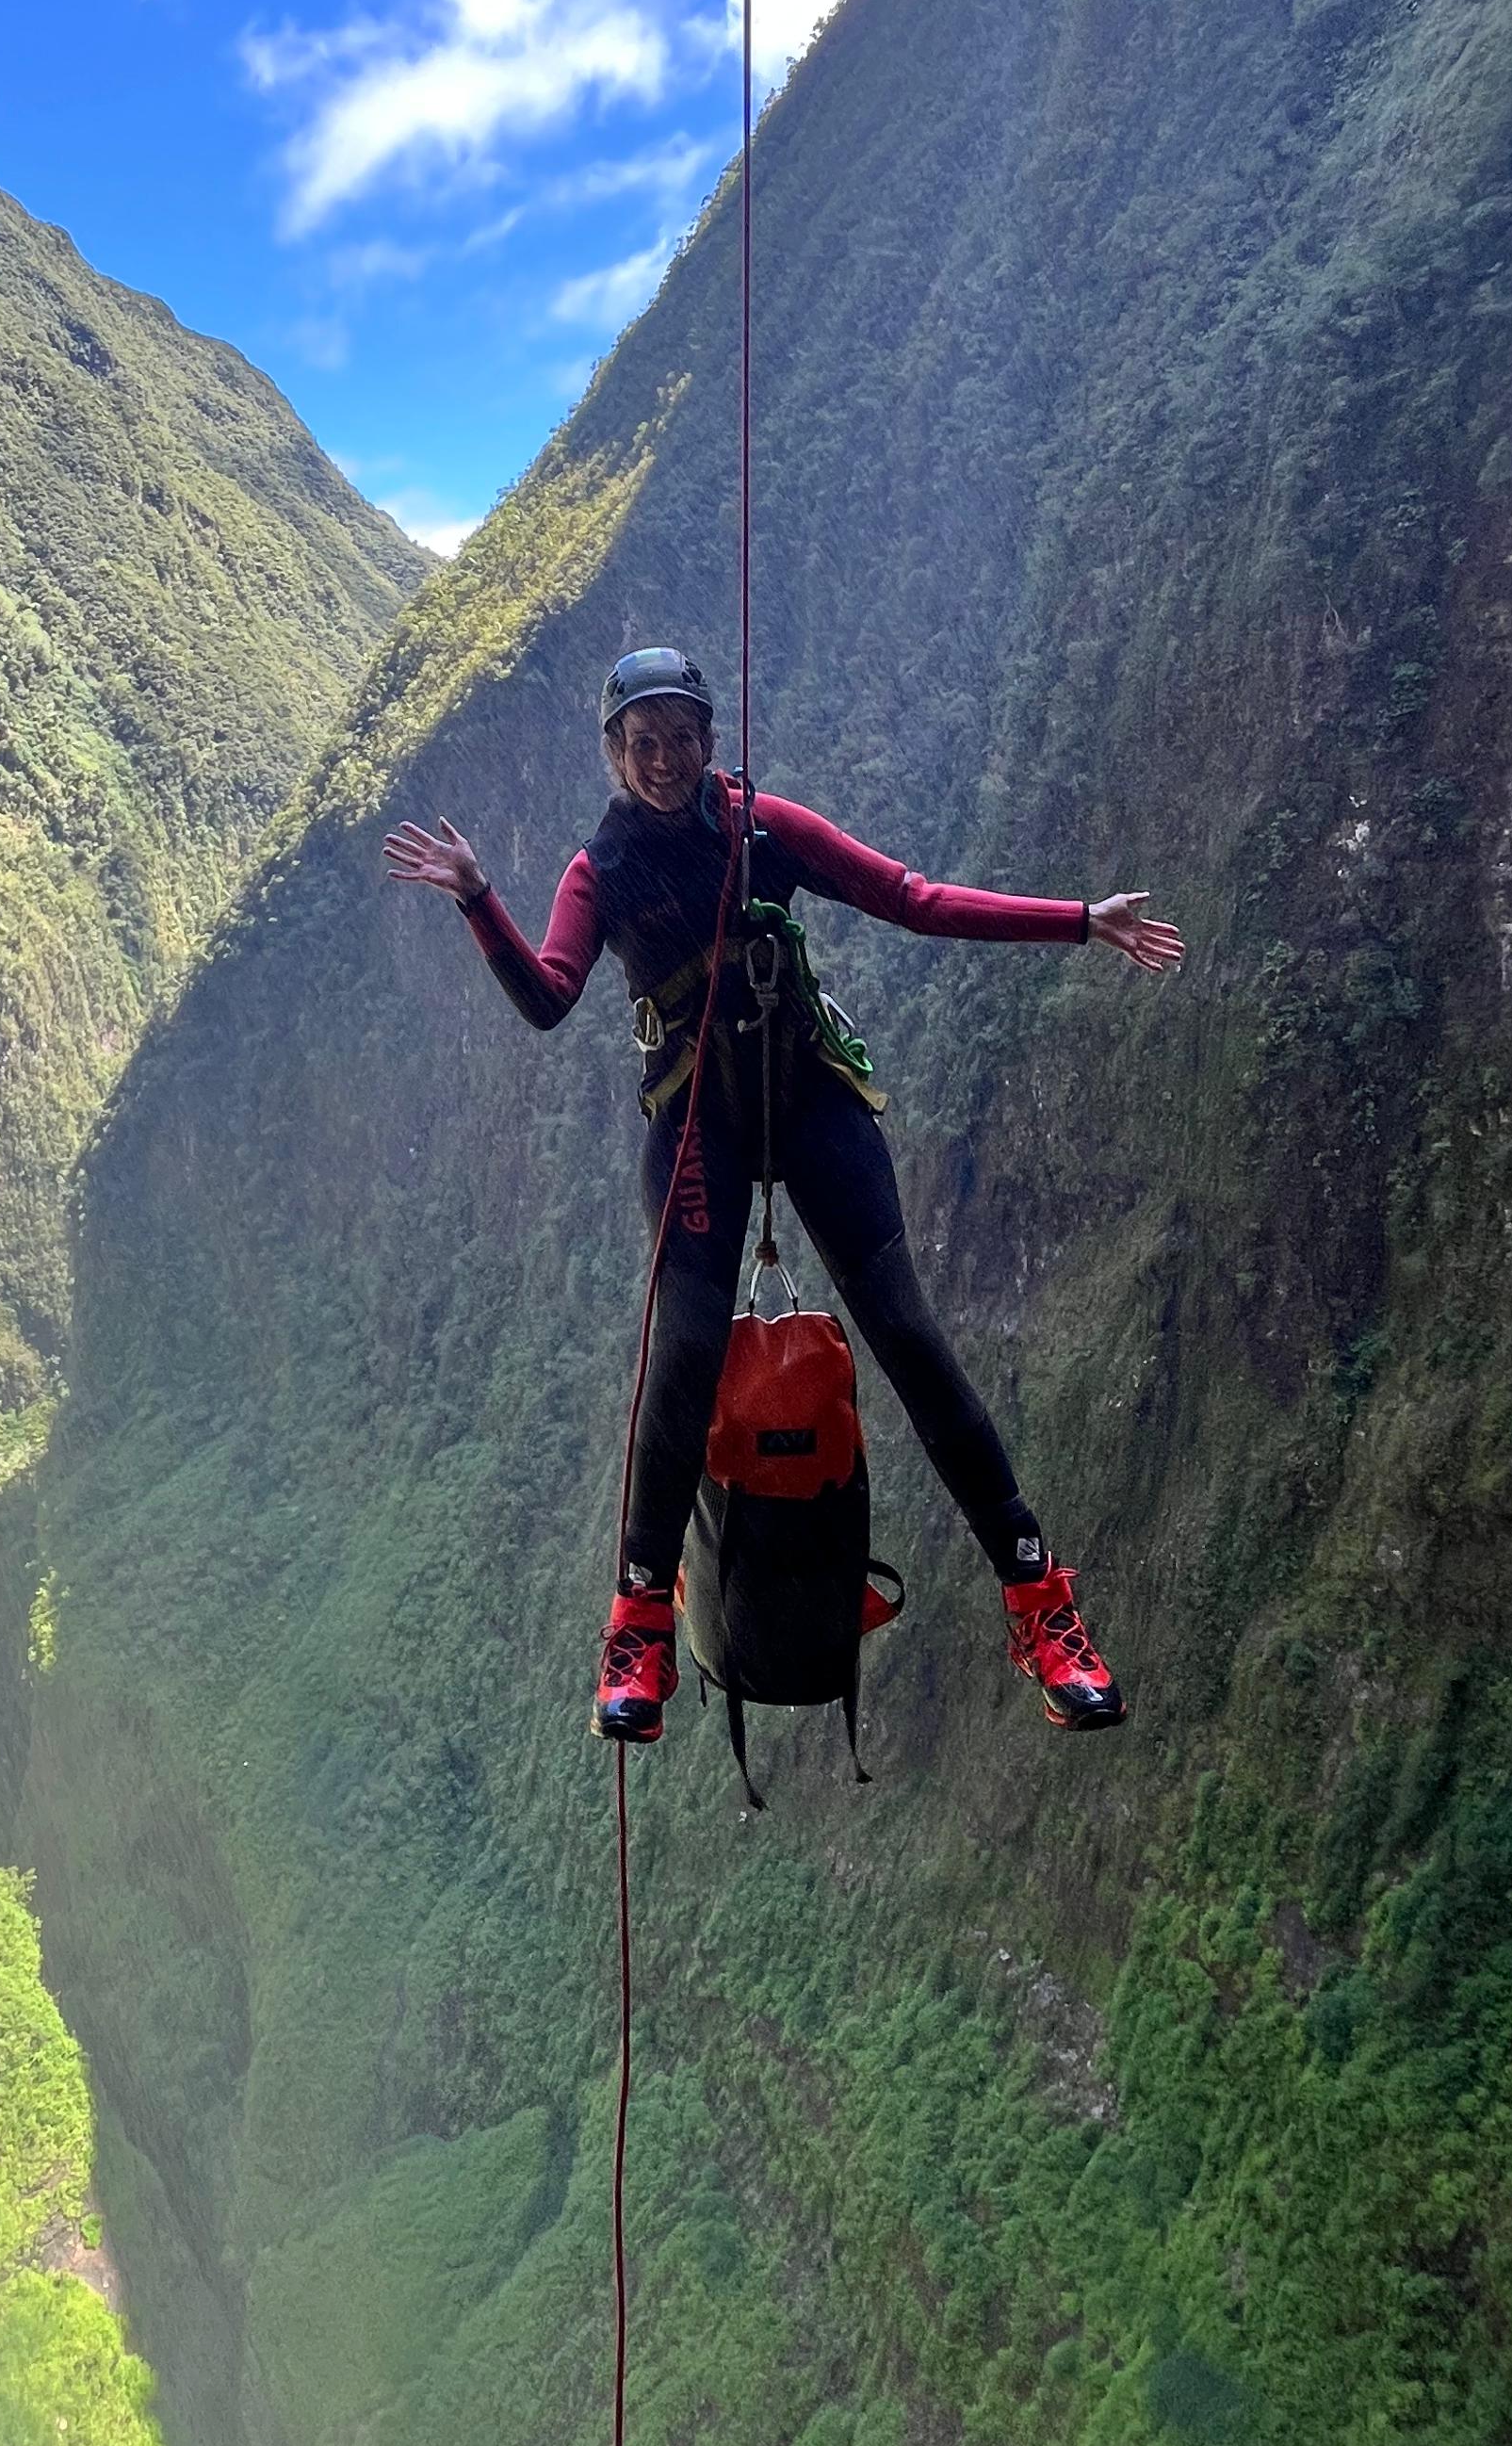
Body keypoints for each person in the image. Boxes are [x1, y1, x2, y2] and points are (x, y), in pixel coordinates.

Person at [385, 646, 1184, 1744]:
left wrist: (1077, 919)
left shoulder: (763, 829)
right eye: (641, 743)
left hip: (808, 1097)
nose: (663, 760)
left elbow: (911, 898)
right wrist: (481, 900)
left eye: (681, 737)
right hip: (697, 1122)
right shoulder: (600, 870)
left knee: (909, 1336)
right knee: (682, 1362)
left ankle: (1041, 1602)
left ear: (711, 740)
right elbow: (547, 997)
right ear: (615, 756)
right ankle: (640, 1631)